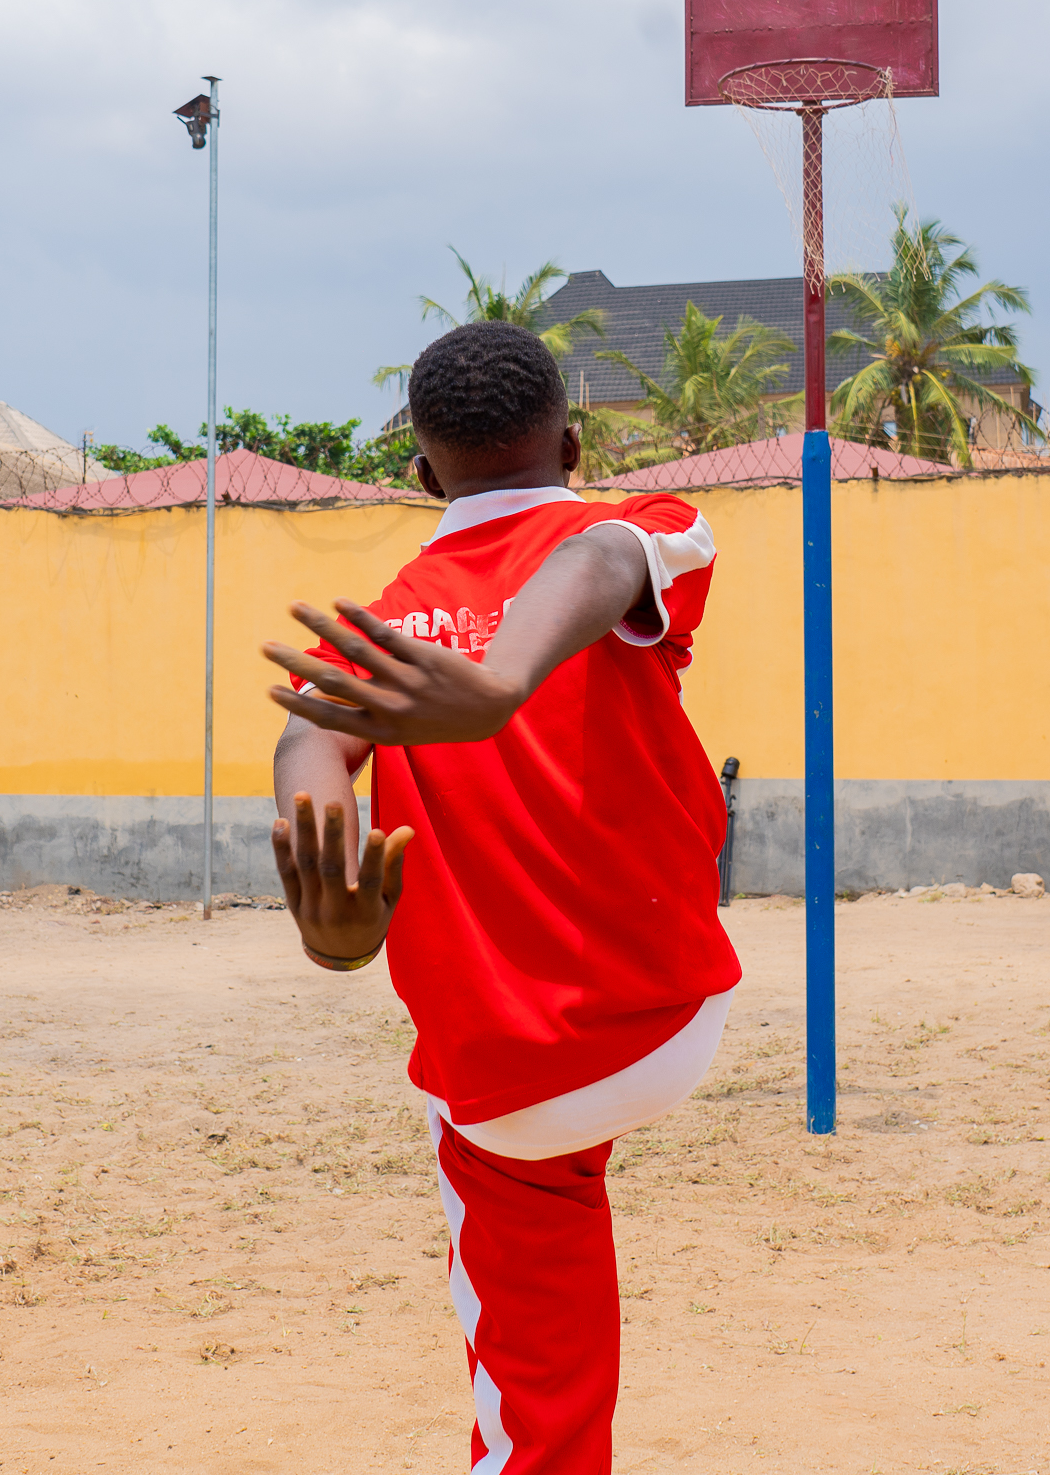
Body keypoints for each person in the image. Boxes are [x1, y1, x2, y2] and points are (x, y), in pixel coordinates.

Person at [261, 321, 739, 1475]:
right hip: (669, 1015)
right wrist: (504, 678)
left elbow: (303, 742)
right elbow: (608, 558)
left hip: (503, 1075)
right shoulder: (655, 528)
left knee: (533, 1380)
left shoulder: (396, 617)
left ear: (423, 473)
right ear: (572, 444)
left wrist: (325, 907)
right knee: (553, 1189)